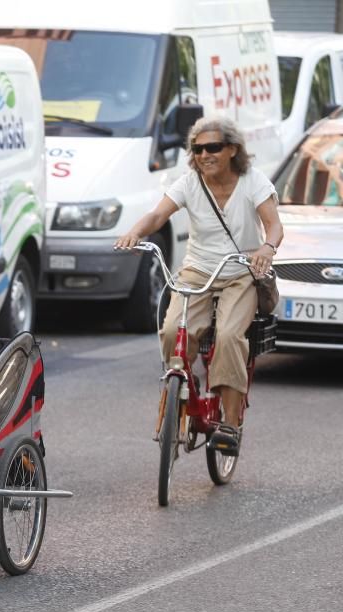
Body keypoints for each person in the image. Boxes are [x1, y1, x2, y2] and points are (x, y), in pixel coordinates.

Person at [115, 115, 284, 454]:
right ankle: (181, 386)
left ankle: (231, 423)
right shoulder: (190, 182)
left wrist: (267, 248)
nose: (205, 154)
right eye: (198, 148)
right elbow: (157, 215)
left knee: (228, 337)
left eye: (213, 147)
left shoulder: (253, 181)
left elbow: (274, 226)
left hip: (239, 272)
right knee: (171, 331)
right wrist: (135, 231)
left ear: (232, 150)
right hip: (197, 272)